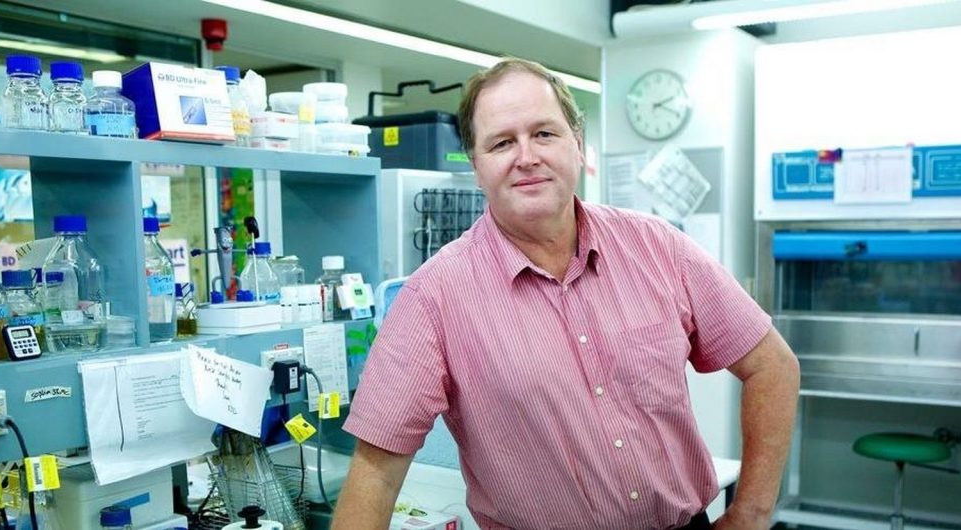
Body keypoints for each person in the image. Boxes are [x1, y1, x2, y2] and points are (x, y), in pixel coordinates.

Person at [332, 57, 800, 530]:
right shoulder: (433, 298)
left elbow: (772, 365)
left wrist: (752, 513)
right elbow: (376, 471)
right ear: (476, 167)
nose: (527, 156)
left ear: (577, 145)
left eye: (544, 133)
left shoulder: (658, 247)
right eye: (501, 143)